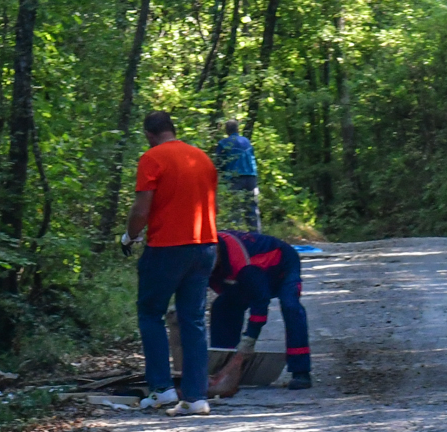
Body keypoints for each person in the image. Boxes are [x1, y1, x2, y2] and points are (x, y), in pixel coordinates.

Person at [123, 111, 219, 415]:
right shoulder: (201, 158)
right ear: (172, 129)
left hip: (167, 247)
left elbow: (141, 209)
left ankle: (162, 389)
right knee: (192, 319)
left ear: (149, 134)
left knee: (151, 313)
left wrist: (129, 237)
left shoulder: (152, 158)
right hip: (205, 245)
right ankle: (195, 397)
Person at [206, 229, 313, 391]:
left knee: (290, 306)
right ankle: (224, 366)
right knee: (222, 307)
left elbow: (260, 302)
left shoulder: (243, 264)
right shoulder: (199, 255)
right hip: (250, 275)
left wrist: (249, 339)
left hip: (283, 264)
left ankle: (301, 372)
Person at [214, 118, 261, 232]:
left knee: (235, 209)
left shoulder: (223, 143)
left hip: (235, 178)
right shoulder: (246, 141)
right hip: (251, 177)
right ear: (238, 129)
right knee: (252, 208)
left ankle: (237, 237)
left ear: (226, 130)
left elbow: (219, 163)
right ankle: (256, 237)